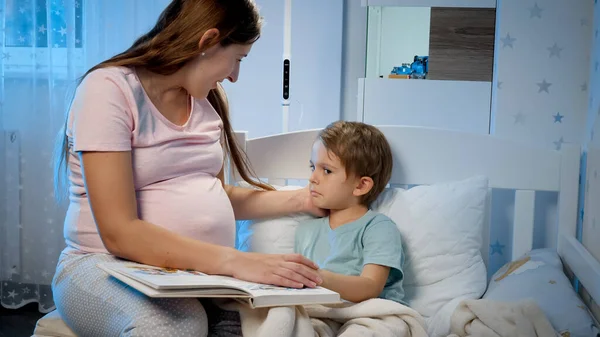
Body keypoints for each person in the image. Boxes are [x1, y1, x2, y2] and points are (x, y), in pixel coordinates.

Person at [50, 1, 324, 336]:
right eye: (238, 59)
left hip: (187, 276)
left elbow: (217, 195)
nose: (235, 76)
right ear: (208, 42)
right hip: (102, 264)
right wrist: (238, 262)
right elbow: (118, 232)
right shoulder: (108, 89)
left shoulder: (206, 101)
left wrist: (302, 200)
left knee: (270, 322)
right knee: (176, 327)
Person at [294, 121, 406, 304]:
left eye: (327, 170)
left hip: (368, 313)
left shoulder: (378, 227)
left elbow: (371, 286)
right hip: (321, 314)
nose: (312, 178)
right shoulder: (306, 230)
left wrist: (317, 277)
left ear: (361, 185)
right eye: (313, 167)